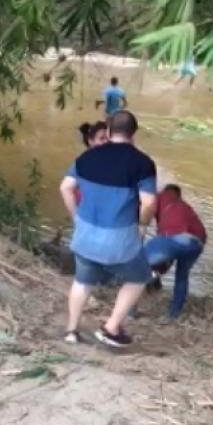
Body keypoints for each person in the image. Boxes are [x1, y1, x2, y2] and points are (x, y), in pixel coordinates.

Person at [59, 110, 157, 348]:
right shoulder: (142, 163)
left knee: (82, 281)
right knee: (139, 277)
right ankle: (111, 328)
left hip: (85, 235)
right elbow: (149, 203)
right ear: (133, 133)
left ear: (110, 130)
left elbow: (65, 188)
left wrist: (76, 218)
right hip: (118, 240)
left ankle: (71, 331)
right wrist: (142, 226)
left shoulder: (87, 157)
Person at [144, 184, 207, 319]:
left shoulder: (161, 197)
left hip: (174, 236)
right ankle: (174, 314)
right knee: (182, 276)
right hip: (197, 243)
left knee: (139, 263)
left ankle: (130, 311)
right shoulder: (185, 206)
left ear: (165, 191)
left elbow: (145, 209)